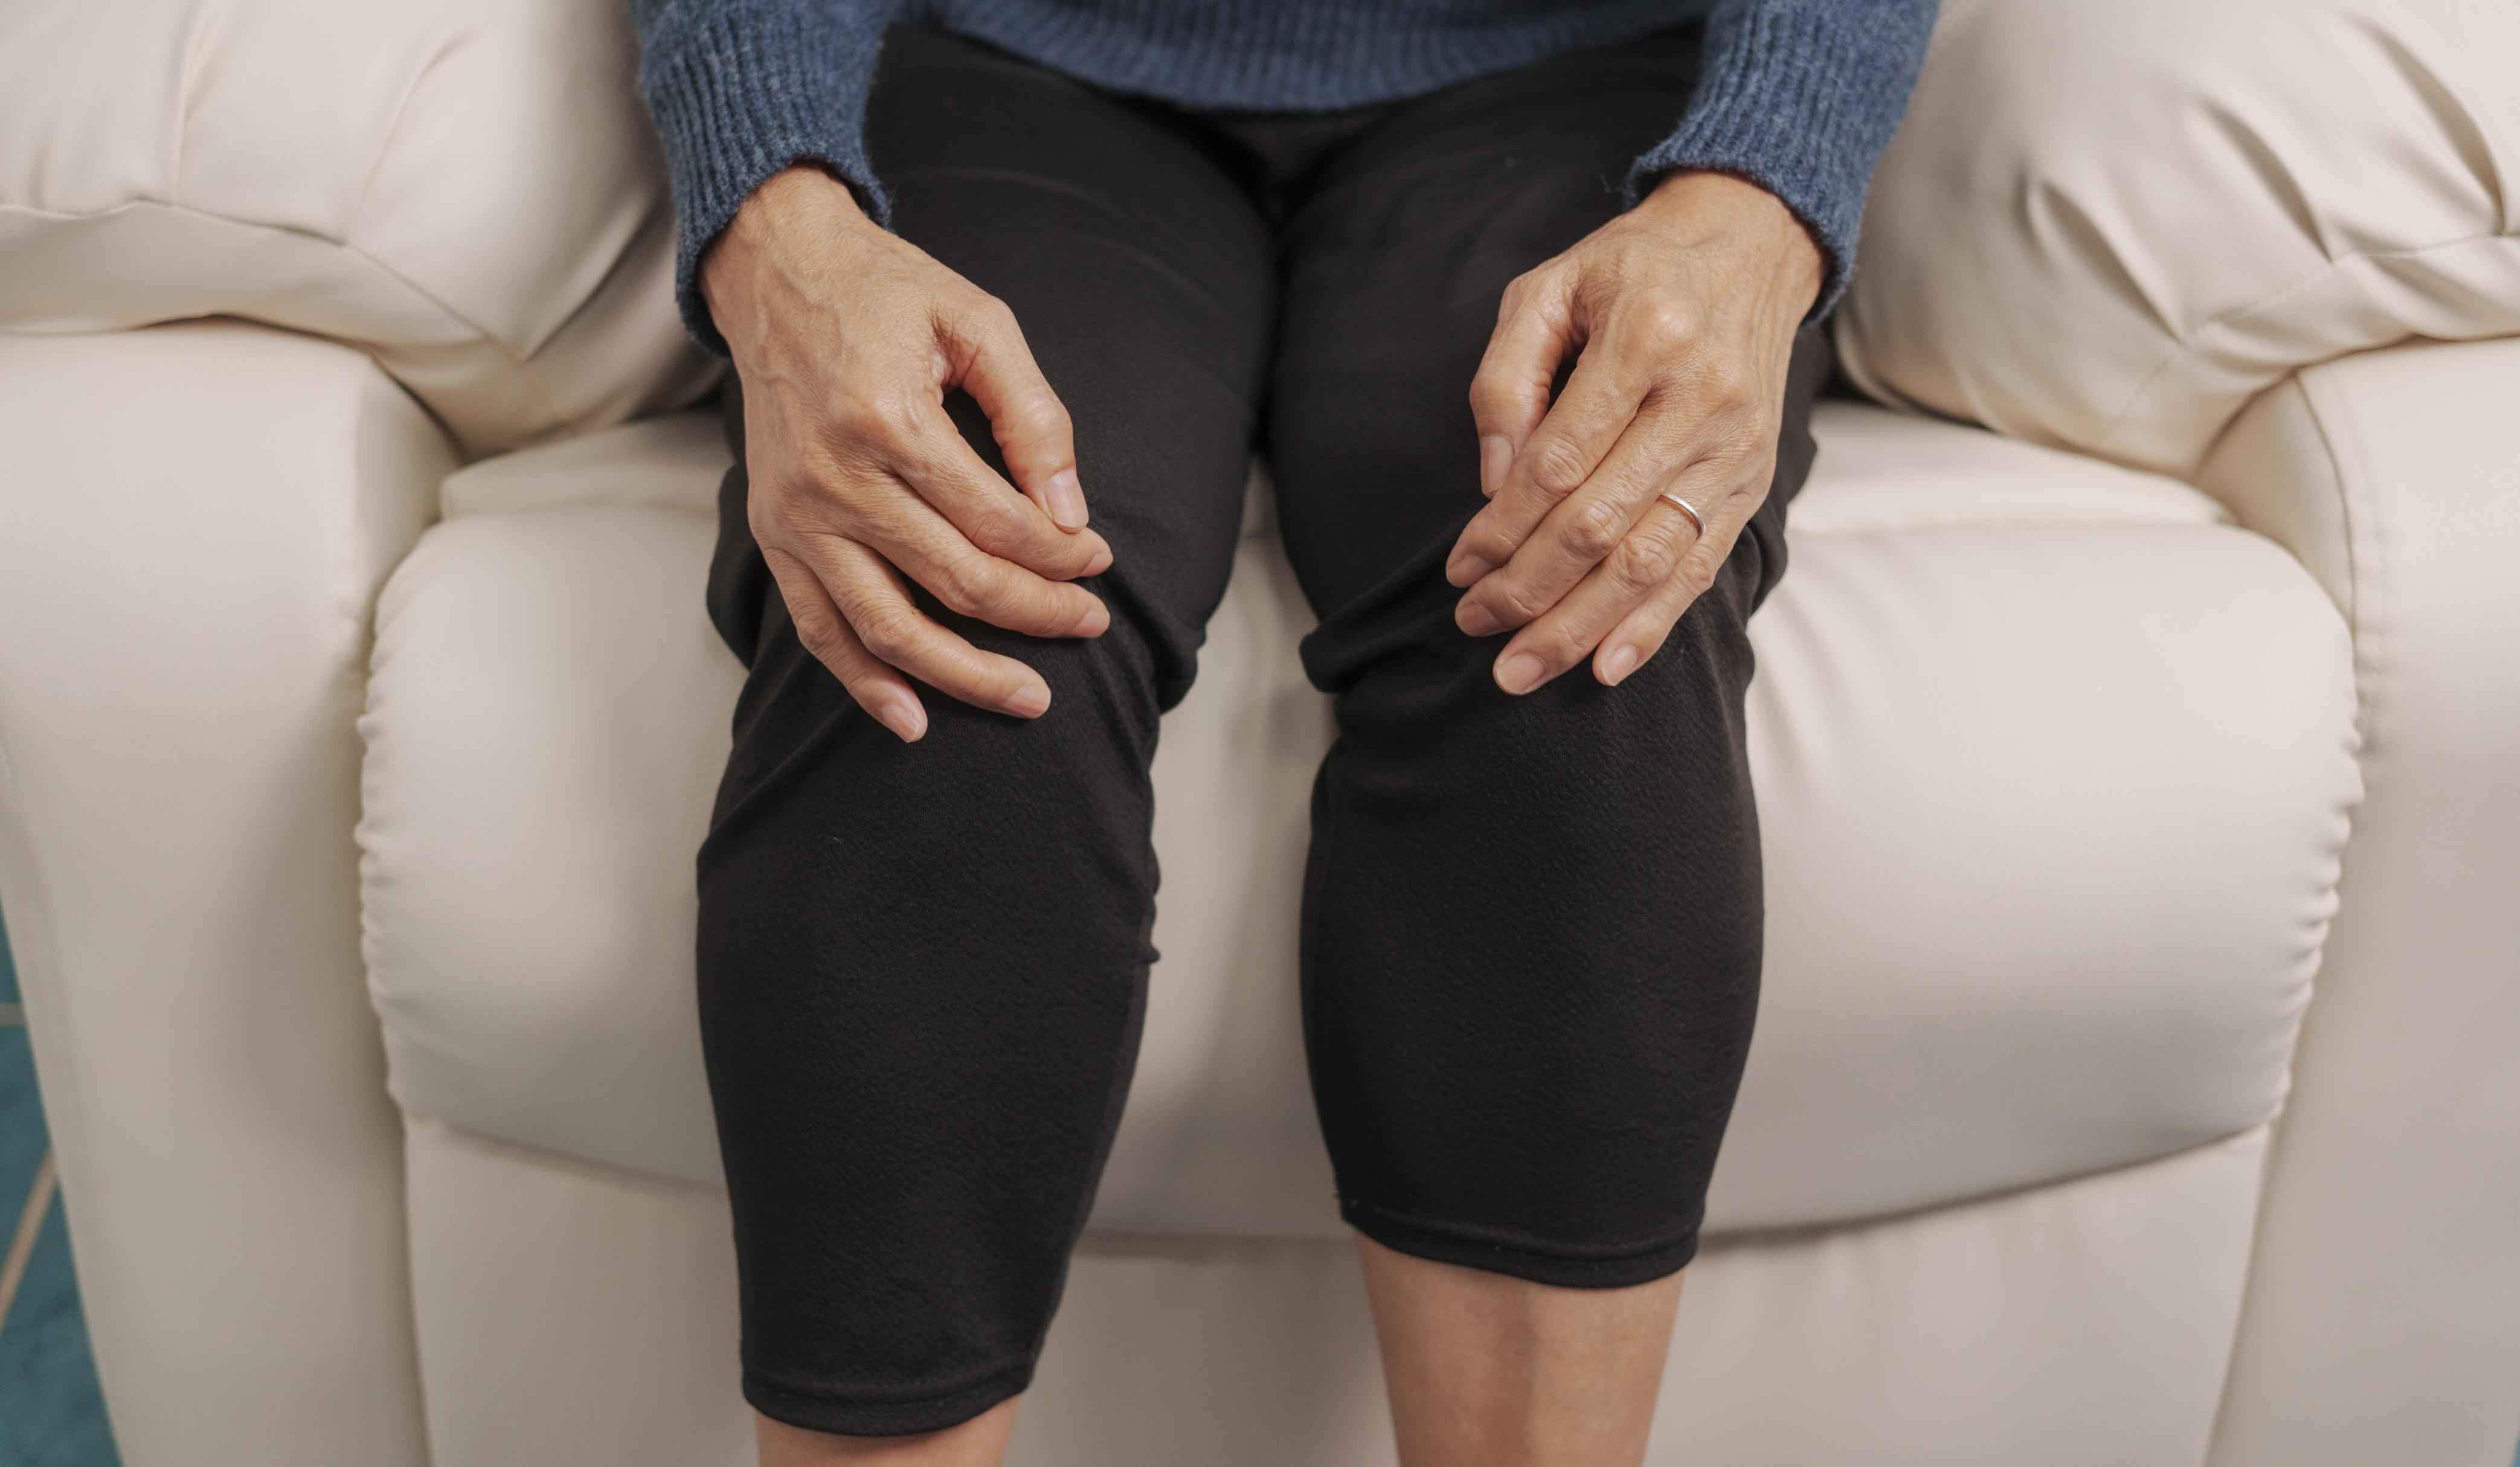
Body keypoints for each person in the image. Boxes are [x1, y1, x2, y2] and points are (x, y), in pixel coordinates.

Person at [631, 1, 1933, 1461]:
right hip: (1001, 59)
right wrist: (776, 218)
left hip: (1591, 75)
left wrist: (1764, 191)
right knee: (945, 615)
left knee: (1571, 608)